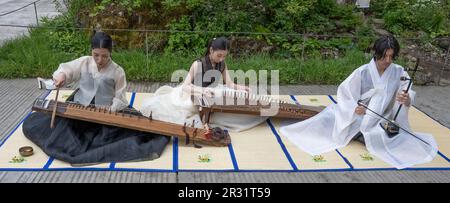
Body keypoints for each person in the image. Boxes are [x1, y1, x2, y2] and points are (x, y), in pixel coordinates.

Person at [280, 35, 437, 169]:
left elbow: (406, 89)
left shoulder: (398, 71)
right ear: (376, 54)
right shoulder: (363, 72)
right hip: (361, 115)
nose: (388, 60)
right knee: (334, 121)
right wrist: (355, 107)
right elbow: (345, 92)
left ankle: (364, 135)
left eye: (391, 56)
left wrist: (406, 98)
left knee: (392, 136)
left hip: (383, 116)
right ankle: (359, 133)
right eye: (384, 56)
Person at [23, 32, 170, 166]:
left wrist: (108, 112)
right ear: (91, 51)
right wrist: (61, 76)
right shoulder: (85, 62)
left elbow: (120, 97)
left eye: (105, 56)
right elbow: (67, 69)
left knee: (116, 136)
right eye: (96, 55)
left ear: (110, 52)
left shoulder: (117, 71)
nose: (100, 60)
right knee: (61, 132)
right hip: (80, 105)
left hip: (105, 109)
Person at [140, 37, 266, 132]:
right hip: (193, 93)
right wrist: (201, 90)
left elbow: (229, 83)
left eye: (224, 56)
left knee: (237, 97)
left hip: (212, 91)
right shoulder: (198, 64)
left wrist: (242, 88)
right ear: (211, 50)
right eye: (219, 55)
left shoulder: (222, 64)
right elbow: (186, 86)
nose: (221, 59)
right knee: (199, 106)